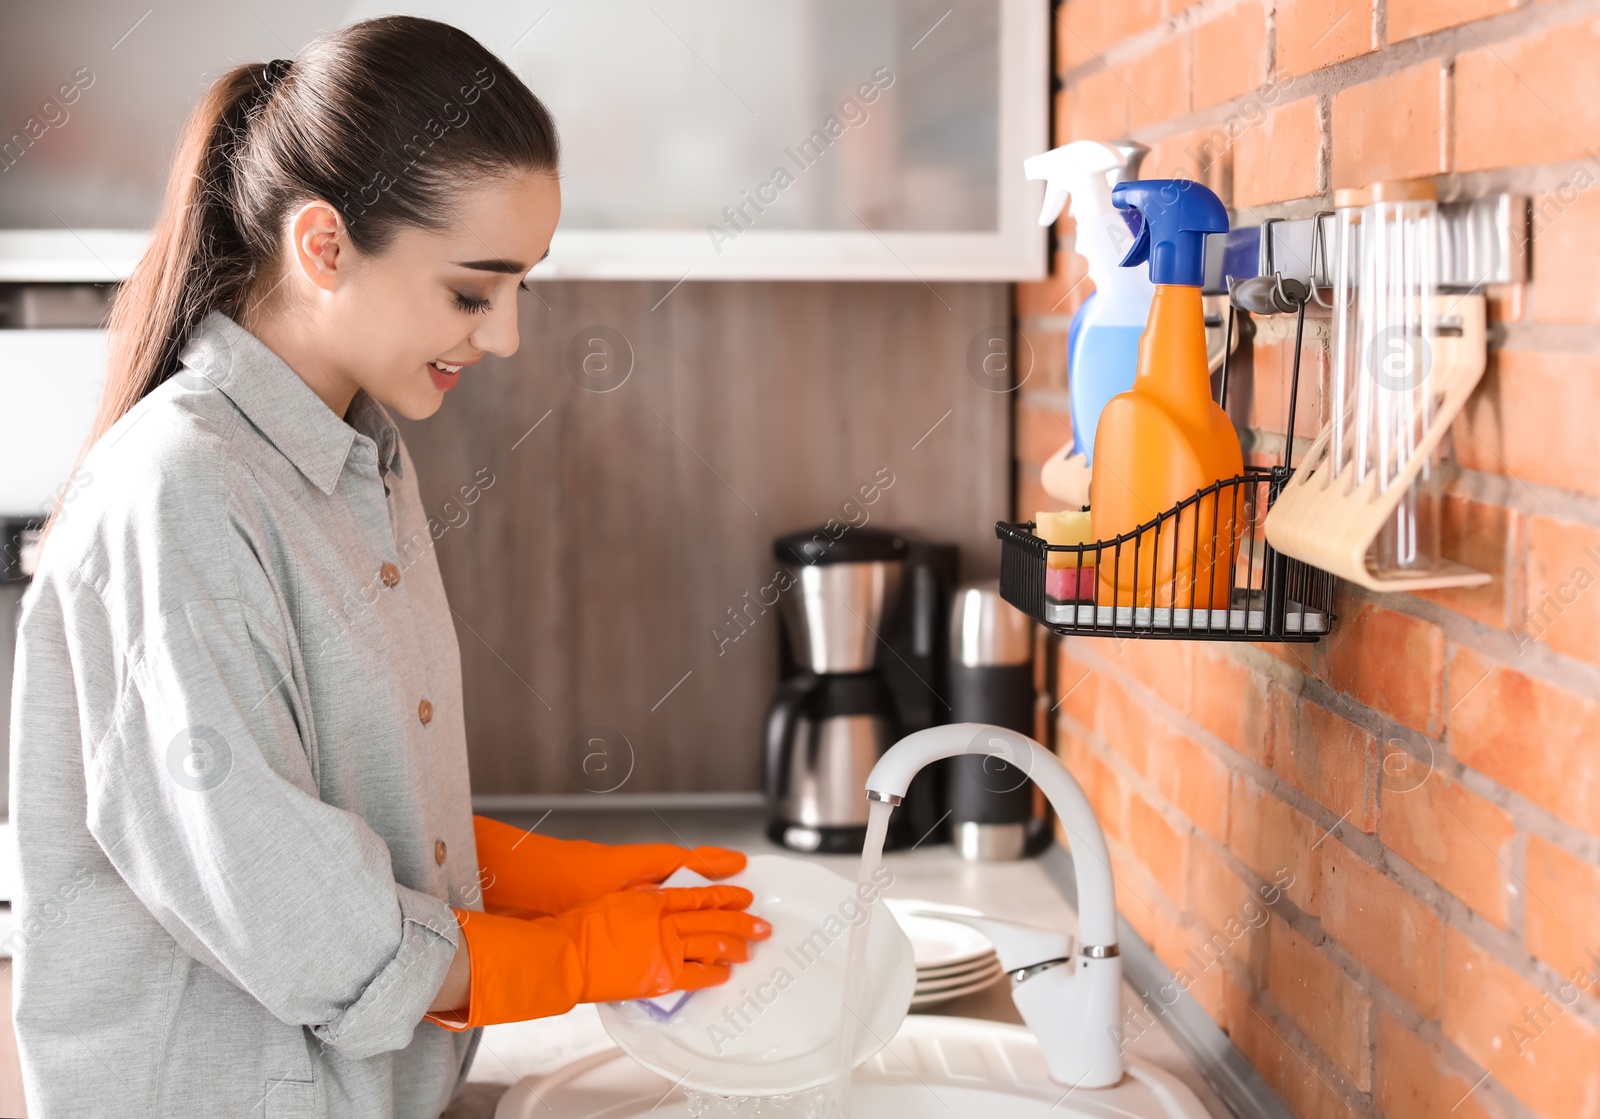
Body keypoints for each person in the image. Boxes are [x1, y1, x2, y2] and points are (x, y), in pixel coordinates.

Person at [8, 16, 769, 1118]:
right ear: (323, 247)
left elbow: (340, 804)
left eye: (522, 289)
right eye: (472, 291)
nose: (503, 337)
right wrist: (563, 960)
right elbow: (277, 889)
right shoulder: (182, 488)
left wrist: (555, 882)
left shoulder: (359, 456)